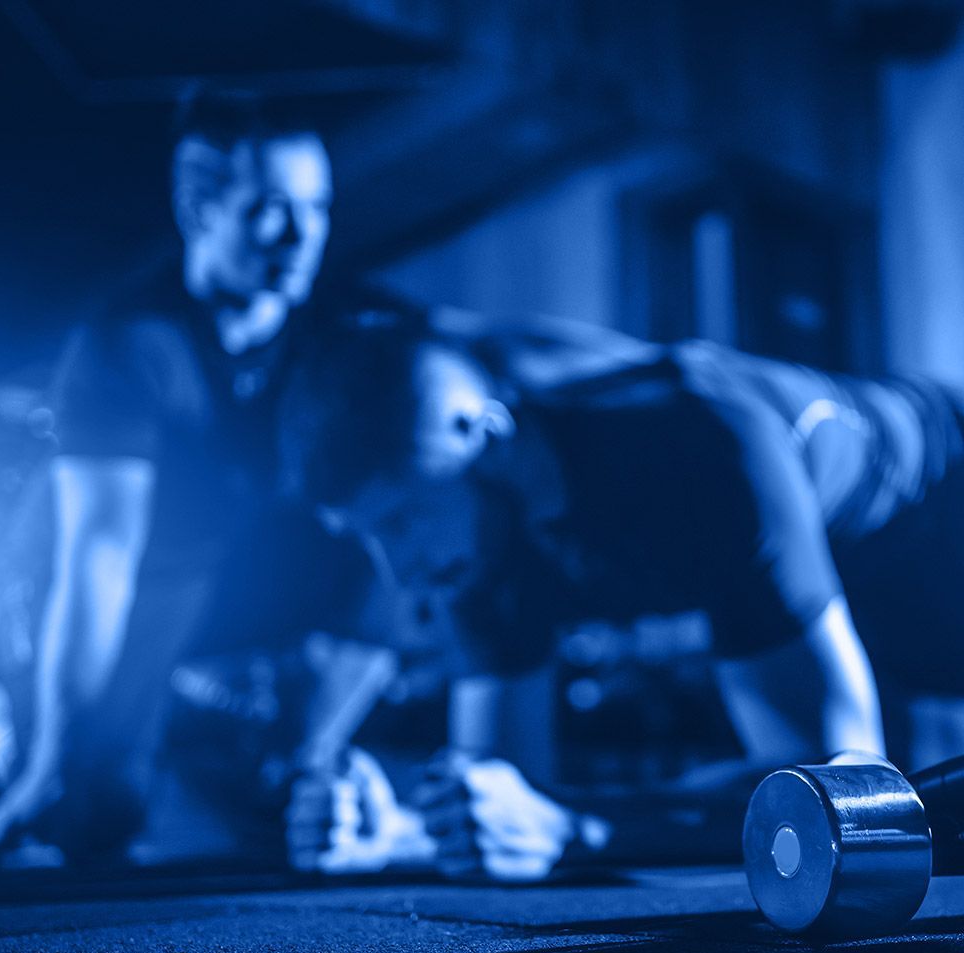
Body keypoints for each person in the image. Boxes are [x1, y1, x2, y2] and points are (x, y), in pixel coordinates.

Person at [278, 313, 964, 879]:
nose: (400, 574)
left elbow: (840, 804)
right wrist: (403, 833)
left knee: (915, 824)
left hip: (944, 505)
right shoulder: (465, 539)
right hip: (844, 583)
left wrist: (577, 827)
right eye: (368, 538)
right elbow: (507, 799)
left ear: (488, 442)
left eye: (400, 521)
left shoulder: (699, 441)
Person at [0, 87, 376, 865]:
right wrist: (55, 755)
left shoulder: (333, 328)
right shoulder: (126, 346)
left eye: (317, 208)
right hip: (107, 585)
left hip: (223, 574)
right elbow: (101, 561)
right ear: (198, 209)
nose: (301, 237)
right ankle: (9, 738)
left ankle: (299, 769)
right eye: (271, 209)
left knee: (399, 532)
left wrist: (657, 363)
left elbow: (487, 344)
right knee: (91, 813)